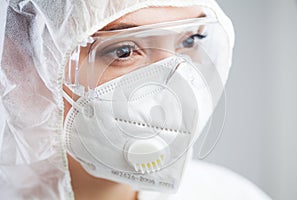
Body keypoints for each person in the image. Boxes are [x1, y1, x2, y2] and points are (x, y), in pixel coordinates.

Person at [0, 0, 271, 200]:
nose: (174, 87)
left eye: (189, 41)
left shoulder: (231, 194)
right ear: (22, 61)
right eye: (124, 50)